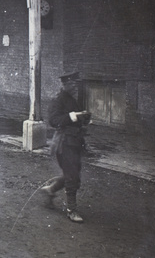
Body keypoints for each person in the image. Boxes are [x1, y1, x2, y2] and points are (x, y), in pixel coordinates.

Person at [41, 71, 91, 223]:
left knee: (72, 174)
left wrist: (83, 118)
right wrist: (74, 116)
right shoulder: (58, 100)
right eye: (72, 84)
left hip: (74, 142)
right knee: (72, 176)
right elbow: (53, 120)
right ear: (64, 85)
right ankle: (72, 211)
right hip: (63, 144)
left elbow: (74, 118)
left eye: (76, 84)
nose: (75, 86)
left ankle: (50, 190)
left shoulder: (72, 99)